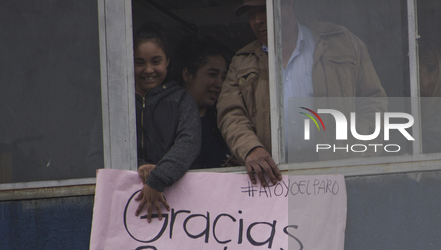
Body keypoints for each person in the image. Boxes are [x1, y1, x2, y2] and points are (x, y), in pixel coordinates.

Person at [217, 0, 386, 187]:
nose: (258, 21)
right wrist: (251, 148)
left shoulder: (341, 42)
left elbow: (373, 101)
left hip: (339, 175)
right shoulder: (242, 61)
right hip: (273, 183)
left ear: (288, 6)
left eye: (264, 10)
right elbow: (230, 113)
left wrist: (356, 147)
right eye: (251, 15)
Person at [133, 22, 201, 222]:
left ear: (168, 61)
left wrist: (158, 178)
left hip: (181, 209)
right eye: (139, 62)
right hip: (128, 206)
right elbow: (98, 152)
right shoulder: (118, 106)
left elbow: (189, 143)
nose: (148, 70)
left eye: (156, 61)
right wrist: (139, 166)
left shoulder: (182, 99)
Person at [177, 36, 233, 169]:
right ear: (187, 75)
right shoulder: (168, 119)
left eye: (223, 77)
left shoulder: (221, 122)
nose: (219, 83)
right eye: (212, 74)